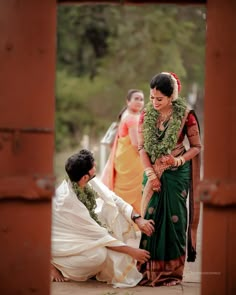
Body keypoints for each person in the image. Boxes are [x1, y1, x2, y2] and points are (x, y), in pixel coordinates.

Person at [51, 149, 155, 288]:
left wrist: (138, 219)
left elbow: (114, 198)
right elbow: (100, 236)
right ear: (85, 177)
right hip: (62, 247)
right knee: (99, 256)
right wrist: (132, 252)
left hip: (82, 235)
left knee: (112, 209)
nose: (96, 167)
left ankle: (96, 268)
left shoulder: (86, 181)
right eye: (93, 166)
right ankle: (55, 265)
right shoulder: (68, 201)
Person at [137, 72, 202, 286]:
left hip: (176, 173)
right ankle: (147, 271)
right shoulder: (146, 115)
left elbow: (196, 147)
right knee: (151, 217)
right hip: (152, 171)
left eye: (159, 99)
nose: (154, 103)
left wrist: (178, 161)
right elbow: (141, 148)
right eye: (152, 97)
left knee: (174, 220)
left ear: (171, 96)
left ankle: (172, 274)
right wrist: (150, 174)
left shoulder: (186, 115)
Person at [101, 89, 145, 214]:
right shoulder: (132, 118)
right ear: (128, 101)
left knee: (122, 194)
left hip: (123, 161)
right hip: (132, 164)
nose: (139, 102)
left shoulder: (126, 115)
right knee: (134, 195)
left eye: (141, 99)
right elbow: (136, 145)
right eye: (136, 98)